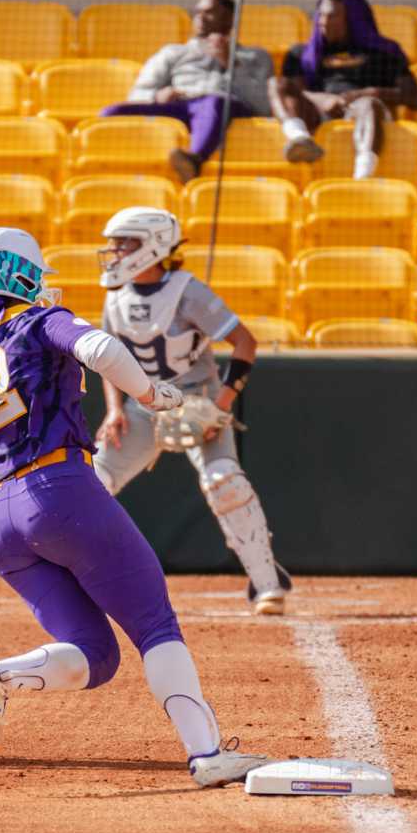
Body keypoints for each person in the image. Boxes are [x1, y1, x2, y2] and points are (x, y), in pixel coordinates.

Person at [0, 226, 274, 788]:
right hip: (62, 492)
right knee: (154, 624)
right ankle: (206, 754)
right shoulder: (39, 322)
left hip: (0, 518)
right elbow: (100, 348)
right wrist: (151, 396)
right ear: (17, 275)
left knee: (96, 656)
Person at [90, 207, 292, 615]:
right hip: (144, 404)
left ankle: (266, 581)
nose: (114, 252)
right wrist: (114, 410)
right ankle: (82, 577)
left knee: (224, 481)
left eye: (124, 243)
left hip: (198, 399)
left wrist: (221, 406)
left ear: (153, 246)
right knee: (92, 480)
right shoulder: (115, 296)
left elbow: (244, 343)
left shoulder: (188, 291)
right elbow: (108, 360)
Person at [97, 0, 275, 184]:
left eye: (209, 13)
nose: (200, 17)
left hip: (226, 106)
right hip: (180, 105)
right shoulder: (173, 52)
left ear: (230, 19)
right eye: (197, 12)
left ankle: (194, 160)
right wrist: (157, 96)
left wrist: (229, 63)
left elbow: (263, 106)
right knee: (112, 112)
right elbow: (137, 93)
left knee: (214, 101)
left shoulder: (256, 56)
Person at [271, 0, 417, 178]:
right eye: (320, 15)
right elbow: (298, 92)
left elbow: (415, 98)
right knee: (277, 84)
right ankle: (299, 140)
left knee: (368, 104)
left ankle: (363, 175)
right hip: (319, 112)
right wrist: (323, 99)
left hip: (365, 113)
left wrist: (366, 94)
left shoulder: (384, 52)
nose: (323, 22)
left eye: (332, 16)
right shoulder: (301, 54)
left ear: (353, 19)